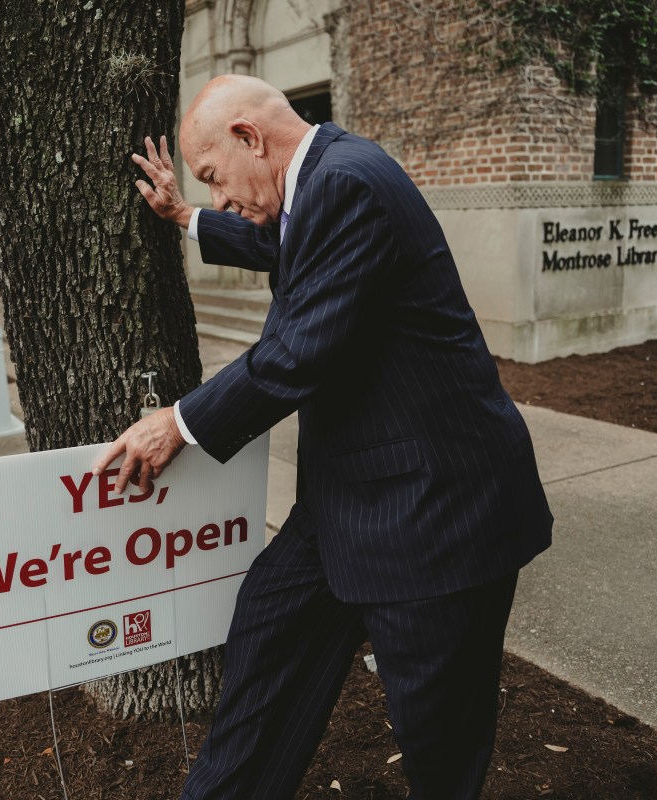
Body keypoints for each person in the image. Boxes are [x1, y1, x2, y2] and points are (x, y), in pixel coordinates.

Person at [93, 75, 553, 800]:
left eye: (213, 177)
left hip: (433, 514)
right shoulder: (319, 181)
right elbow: (285, 242)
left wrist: (177, 423)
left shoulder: (348, 185)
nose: (221, 197)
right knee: (268, 632)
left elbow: (297, 354)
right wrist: (186, 216)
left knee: (438, 740)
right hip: (349, 497)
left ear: (250, 137)